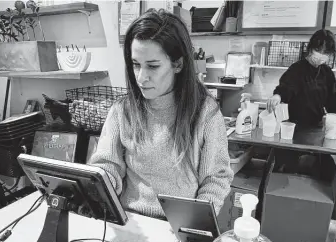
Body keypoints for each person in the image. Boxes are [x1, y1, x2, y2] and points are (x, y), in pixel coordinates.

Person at [89, 9, 233, 219]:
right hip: (129, 220)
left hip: (180, 225)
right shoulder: (122, 111)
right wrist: (103, 183)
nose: (140, 78)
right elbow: (107, 165)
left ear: (178, 64)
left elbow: (216, 179)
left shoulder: (205, 113)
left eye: (153, 66)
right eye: (135, 64)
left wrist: (195, 223)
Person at [266, 29, 336, 174]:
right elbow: (286, 88)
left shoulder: (326, 73)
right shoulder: (297, 69)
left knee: (319, 170)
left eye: (325, 53)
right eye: (317, 50)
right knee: (288, 170)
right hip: (293, 129)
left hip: (316, 129)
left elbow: (335, 102)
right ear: (310, 48)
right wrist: (277, 96)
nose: (320, 56)